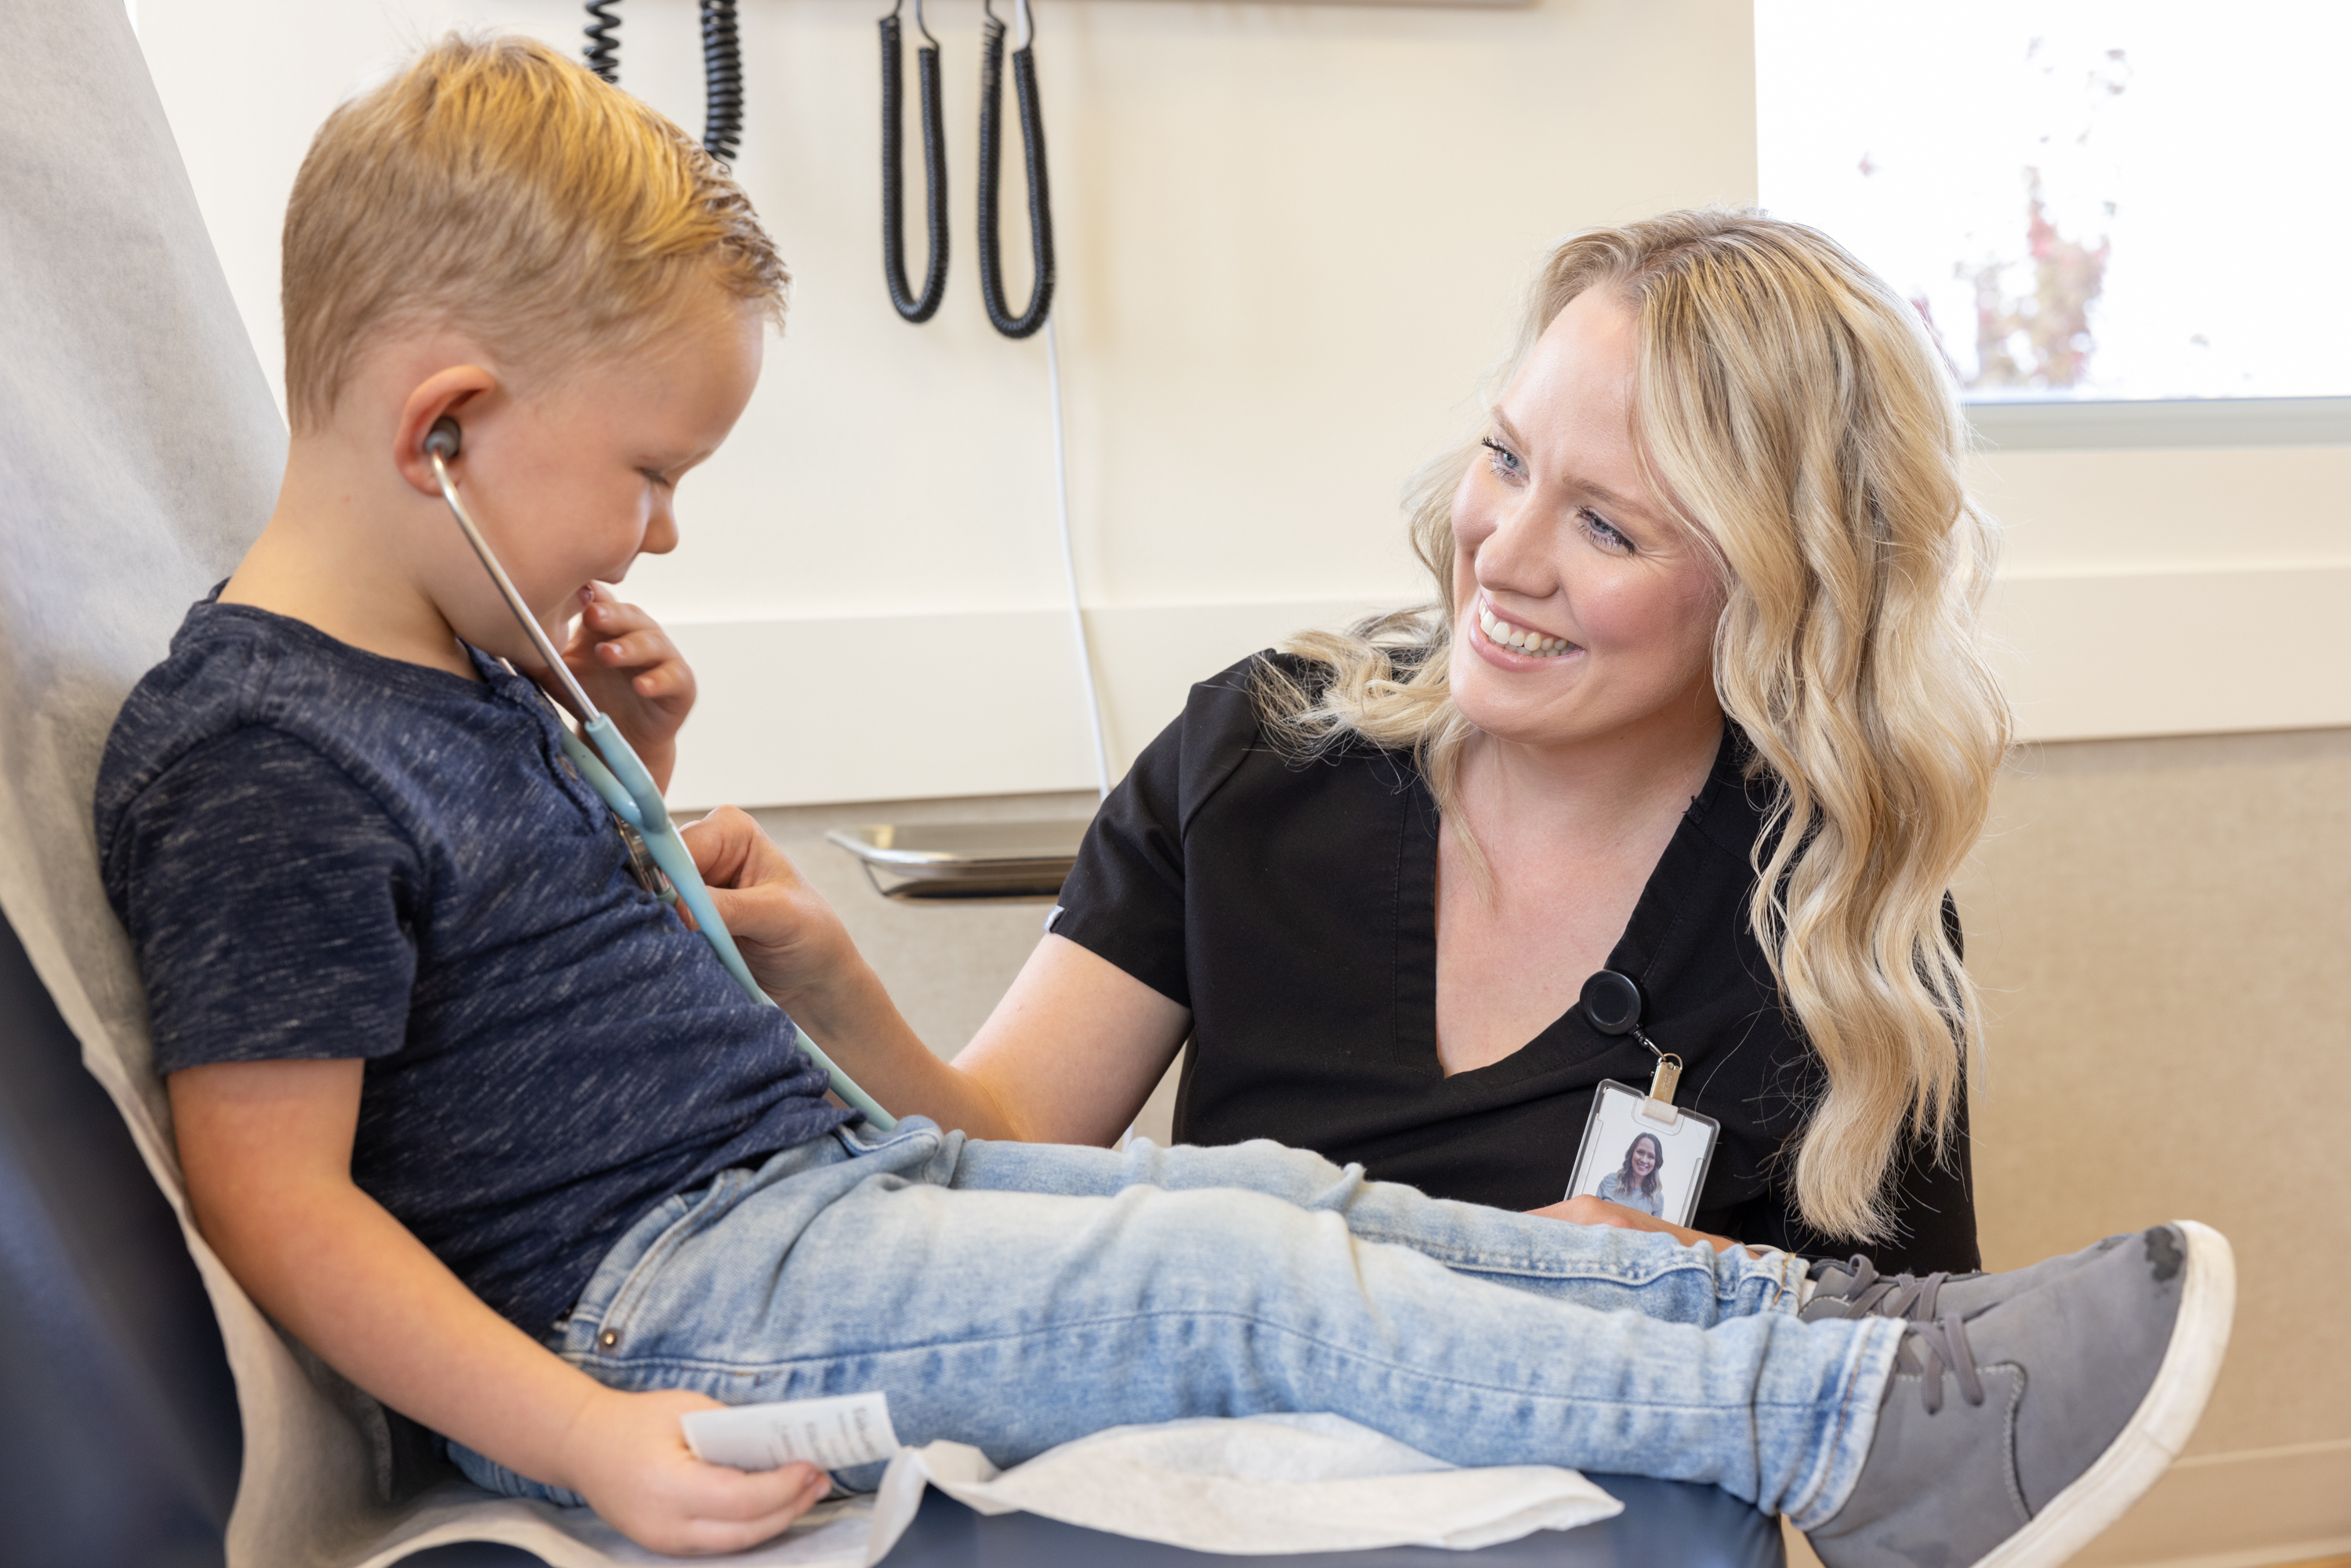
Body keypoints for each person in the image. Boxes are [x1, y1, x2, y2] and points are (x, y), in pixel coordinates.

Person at [95, 34, 2231, 1565]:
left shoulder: (466, 686)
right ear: (449, 423)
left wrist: (625, 792)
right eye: (652, 477)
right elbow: (282, 1192)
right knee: (1250, 1283)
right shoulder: (276, 750)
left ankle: (1834, 1341)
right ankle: (1845, 1427)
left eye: (1608, 522)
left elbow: (518, 997)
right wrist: (590, 1444)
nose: (653, 539)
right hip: (678, 1299)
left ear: (1764, 589)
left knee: (1283, 1216)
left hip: (790, 1208)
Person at [683, 208, 2009, 1276]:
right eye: (1505, 457)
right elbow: (1007, 1155)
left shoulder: (1832, 920)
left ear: (1782, 594)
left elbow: (1892, 1405)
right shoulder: (1258, 757)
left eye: (1608, 526)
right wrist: (828, 982)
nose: (1503, 549)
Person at [1597, 1132, 1666, 1216]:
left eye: (1651, 1156)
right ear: (1632, 1153)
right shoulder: (1609, 1181)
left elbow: (1654, 1229)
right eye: (1640, 1152)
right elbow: (1592, 1216)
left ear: (1656, 1162)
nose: (1644, 1160)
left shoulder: (1658, 1199)